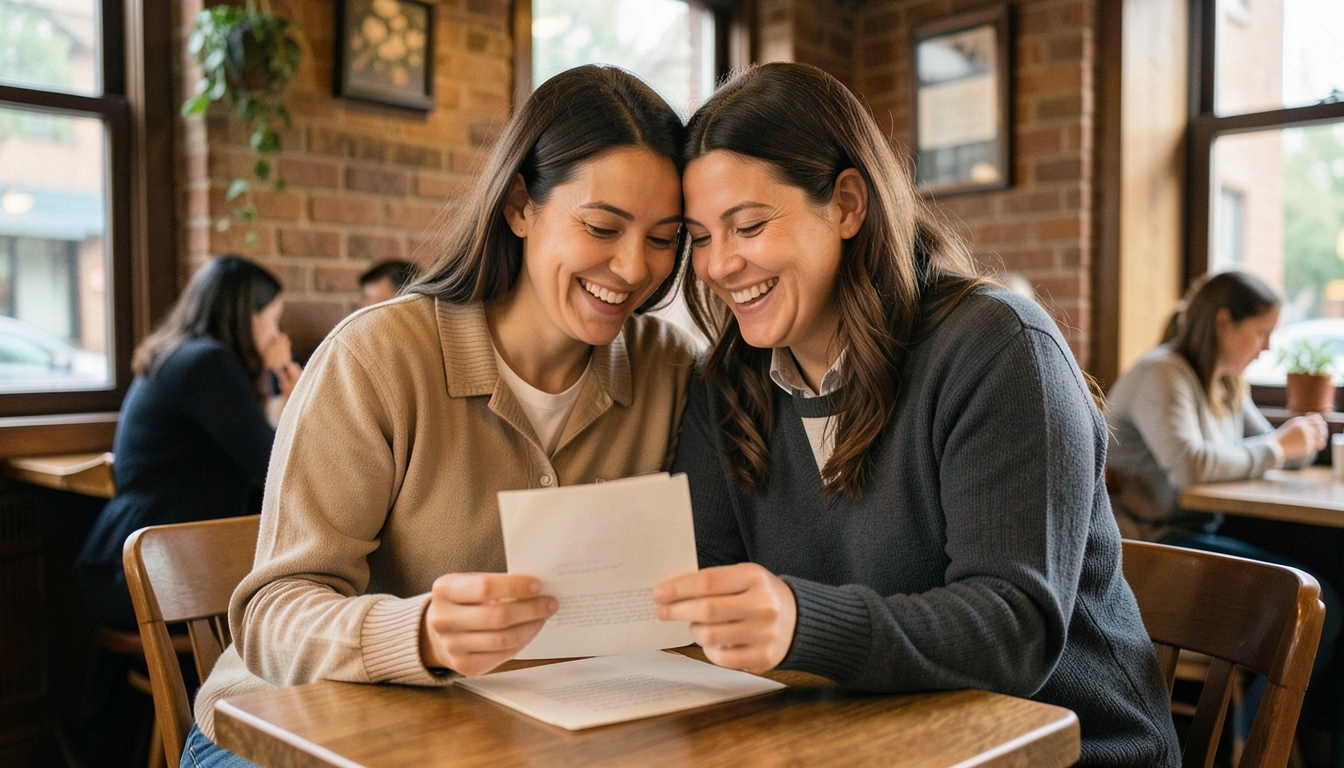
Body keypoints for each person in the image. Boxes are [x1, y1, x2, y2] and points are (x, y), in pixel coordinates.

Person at [650, 62, 1180, 767]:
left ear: (846, 204)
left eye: (747, 225)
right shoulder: (726, 386)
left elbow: (1013, 631)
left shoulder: (997, 348)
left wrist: (803, 622)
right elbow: (705, 597)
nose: (718, 266)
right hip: (859, 740)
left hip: (1067, 749)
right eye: (701, 236)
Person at [182, 65, 698, 766]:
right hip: (279, 730)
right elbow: (272, 616)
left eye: (665, 238)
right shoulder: (378, 358)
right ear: (520, 205)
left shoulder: (667, 364)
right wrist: (417, 632)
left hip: (501, 734)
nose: (635, 268)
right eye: (602, 226)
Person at [1106, 270, 1342, 762]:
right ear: (1222, 322)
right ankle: (1257, 747)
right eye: (1260, 333)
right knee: (1320, 604)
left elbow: (1264, 447)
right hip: (1154, 552)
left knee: (1325, 593)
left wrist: (1304, 439)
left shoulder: (1226, 382)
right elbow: (1190, 467)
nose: (1267, 348)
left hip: (1196, 537)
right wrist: (1280, 446)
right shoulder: (1161, 372)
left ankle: (1299, 743)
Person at [76, 255, 301, 632]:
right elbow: (274, 467)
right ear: (249, 314)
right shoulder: (208, 364)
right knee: (295, 604)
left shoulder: (181, 353)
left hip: (130, 563)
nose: (278, 335)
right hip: (150, 575)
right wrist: (282, 385)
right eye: (274, 318)